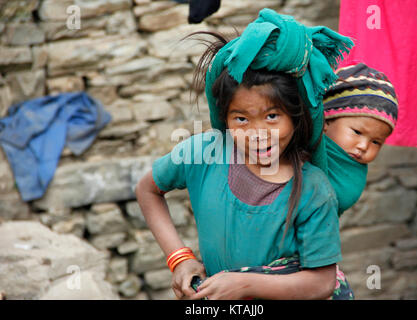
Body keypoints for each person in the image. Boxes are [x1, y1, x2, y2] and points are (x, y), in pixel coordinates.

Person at [136, 8, 354, 300]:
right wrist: (180, 258)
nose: (257, 132)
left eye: (272, 116)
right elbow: (148, 189)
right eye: (241, 119)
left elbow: (321, 283)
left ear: (296, 116)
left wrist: (247, 285)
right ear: (224, 117)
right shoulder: (204, 154)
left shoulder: (313, 191)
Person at [323, 63, 398, 165]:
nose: (363, 146)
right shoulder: (303, 161)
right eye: (357, 132)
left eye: (376, 142)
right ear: (325, 122)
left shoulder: (356, 172)